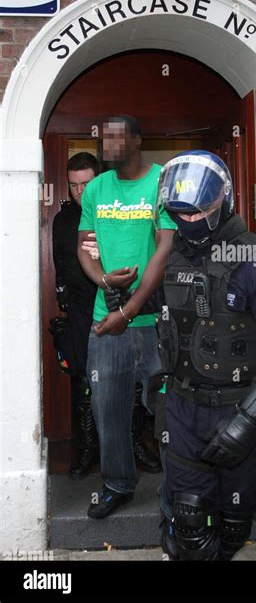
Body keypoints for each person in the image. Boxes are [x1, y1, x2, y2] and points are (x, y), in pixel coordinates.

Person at [124, 149, 256, 561]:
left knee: (232, 525)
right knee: (187, 526)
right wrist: (128, 295)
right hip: (183, 410)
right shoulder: (173, 256)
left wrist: (249, 422)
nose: (189, 223)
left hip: (239, 407)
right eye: (179, 214)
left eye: (198, 213)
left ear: (223, 200)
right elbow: (170, 312)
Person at [76, 115, 176, 519]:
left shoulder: (161, 184)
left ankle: (179, 490)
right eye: (103, 138)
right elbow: (85, 245)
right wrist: (102, 280)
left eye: (116, 138)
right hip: (106, 323)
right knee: (108, 409)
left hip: (154, 323)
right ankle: (117, 484)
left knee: (170, 413)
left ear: (137, 139)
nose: (106, 145)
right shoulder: (96, 189)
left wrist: (130, 309)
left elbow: (165, 249)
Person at [52, 152, 100, 478]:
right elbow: (59, 261)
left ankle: (135, 443)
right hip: (82, 308)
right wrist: (65, 297)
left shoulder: (117, 212)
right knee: (82, 378)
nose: (80, 191)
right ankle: (85, 450)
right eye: (73, 185)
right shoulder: (64, 219)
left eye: (86, 183)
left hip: (117, 305)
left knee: (129, 380)